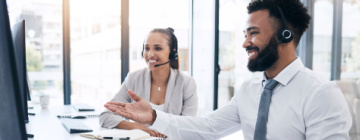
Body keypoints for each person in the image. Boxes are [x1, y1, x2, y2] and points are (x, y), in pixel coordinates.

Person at [104, 0, 352, 139]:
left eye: (253, 33)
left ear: (285, 35)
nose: (245, 43)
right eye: (245, 34)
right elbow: (207, 127)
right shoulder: (249, 90)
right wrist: (154, 118)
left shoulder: (321, 94)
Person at [99, 27, 198, 137]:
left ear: (172, 54)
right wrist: (138, 127)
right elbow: (106, 116)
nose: (150, 54)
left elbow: (189, 127)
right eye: (147, 48)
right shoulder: (134, 78)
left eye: (158, 48)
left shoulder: (186, 83)